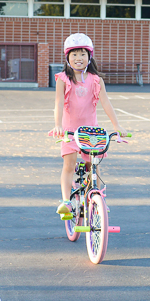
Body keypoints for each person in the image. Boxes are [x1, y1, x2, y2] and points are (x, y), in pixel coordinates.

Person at [52, 33, 126, 219]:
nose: (79, 58)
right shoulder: (63, 79)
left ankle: (99, 198)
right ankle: (66, 202)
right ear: (68, 57)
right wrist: (58, 126)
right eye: (74, 54)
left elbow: (106, 103)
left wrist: (117, 126)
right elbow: (58, 104)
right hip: (70, 130)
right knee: (69, 164)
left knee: (93, 164)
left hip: (91, 131)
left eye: (83, 54)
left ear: (89, 57)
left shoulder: (95, 79)